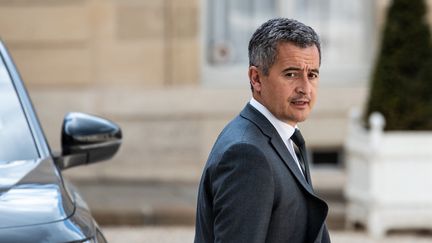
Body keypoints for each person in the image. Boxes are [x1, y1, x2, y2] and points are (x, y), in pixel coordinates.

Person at [194, 18, 330, 243]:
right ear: (256, 79)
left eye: (312, 75)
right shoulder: (246, 154)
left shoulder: (282, 136)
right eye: (291, 74)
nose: (305, 88)